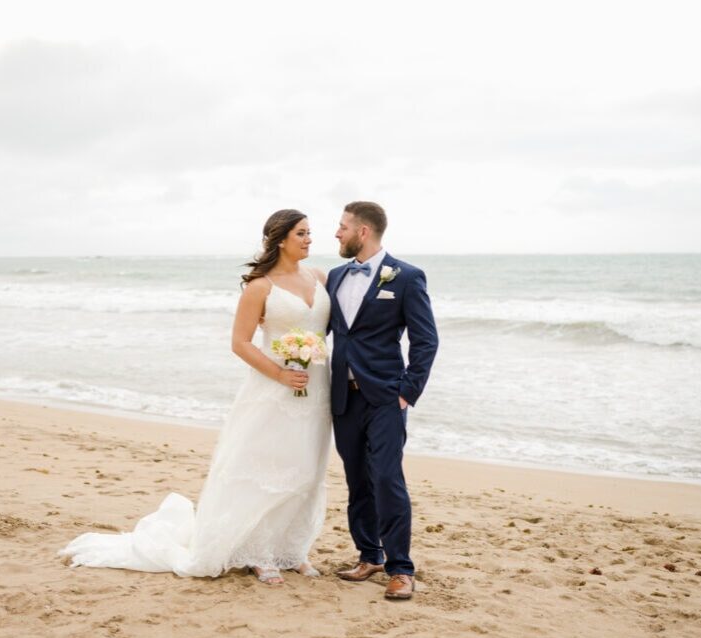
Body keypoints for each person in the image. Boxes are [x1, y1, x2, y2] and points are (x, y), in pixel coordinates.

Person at [58, 209, 332, 585]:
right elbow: (240, 343)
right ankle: (258, 551)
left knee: (305, 470)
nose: (309, 239)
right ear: (281, 238)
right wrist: (281, 373)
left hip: (316, 389)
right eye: (301, 233)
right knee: (266, 467)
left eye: (310, 233)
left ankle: (292, 550)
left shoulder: (319, 277)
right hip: (273, 390)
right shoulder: (260, 286)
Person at [327, 201, 438, 600]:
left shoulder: (407, 276)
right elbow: (321, 329)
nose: (336, 233)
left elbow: (426, 339)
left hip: (387, 397)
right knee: (357, 479)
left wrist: (408, 391)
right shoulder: (336, 277)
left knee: (387, 479)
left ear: (363, 231)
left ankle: (400, 568)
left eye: (342, 227)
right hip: (343, 396)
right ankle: (368, 554)